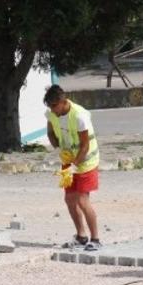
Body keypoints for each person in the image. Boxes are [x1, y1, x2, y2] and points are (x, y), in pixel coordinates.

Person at [44, 84, 101, 251]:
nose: (52, 110)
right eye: (50, 106)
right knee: (69, 199)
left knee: (82, 200)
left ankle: (96, 239)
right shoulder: (51, 113)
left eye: (54, 106)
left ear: (63, 101)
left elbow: (85, 146)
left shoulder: (79, 116)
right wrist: (57, 146)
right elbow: (50, 132)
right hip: (67, 162)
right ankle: (81, 236)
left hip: (86, 163)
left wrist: (74, 166)